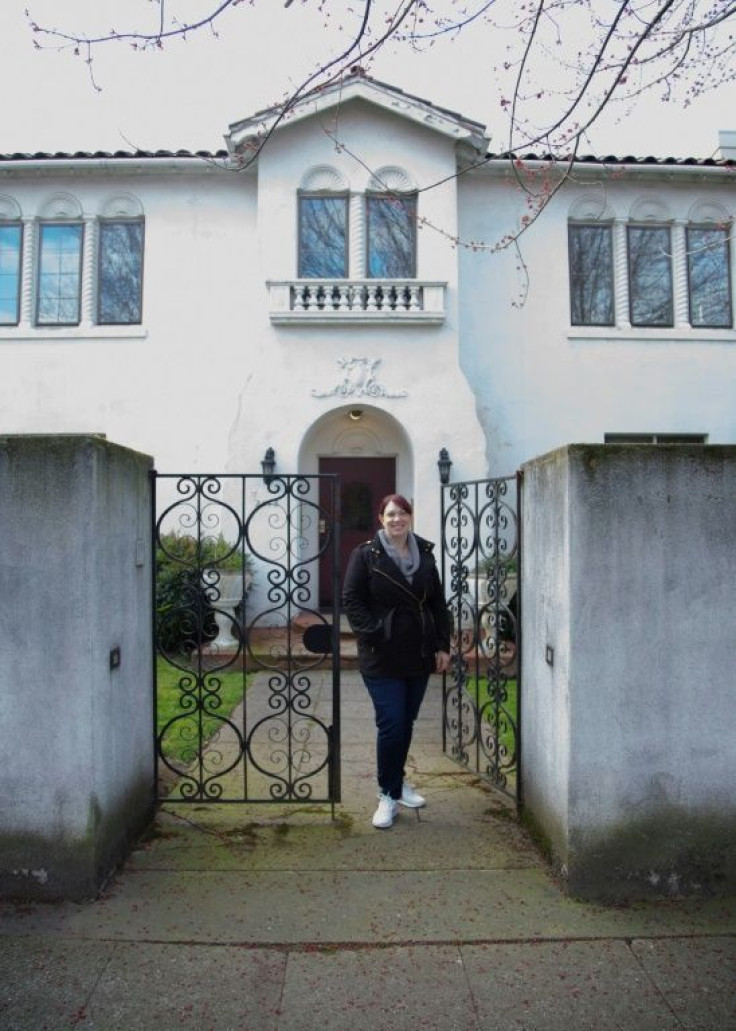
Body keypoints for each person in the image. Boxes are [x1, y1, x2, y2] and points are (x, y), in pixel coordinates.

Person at [342, 493, 452, 829]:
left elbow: (437, 604)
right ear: (381, 519)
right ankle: (387, 795)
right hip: (382, 654)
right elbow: (352, 599)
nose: (397, 520)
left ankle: (397, 782)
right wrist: (375, 632)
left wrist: (442, 645)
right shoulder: (365, 555)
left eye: (402, 513)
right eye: (390, 514)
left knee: (406, 722)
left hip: (418, 652)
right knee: (391, 724)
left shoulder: (426, 554)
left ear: (410, 517)